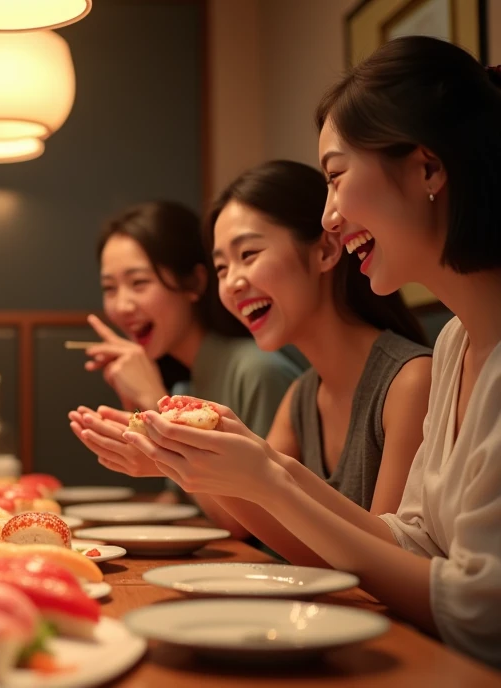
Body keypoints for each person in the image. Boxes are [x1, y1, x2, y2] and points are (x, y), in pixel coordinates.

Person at [123, 37, 501, 667]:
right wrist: (247, 468)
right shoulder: (458, 340)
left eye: (335, 177)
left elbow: (479, 612)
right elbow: (410, 541)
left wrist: (267, 477)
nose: (328, 216)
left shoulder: (417, 368)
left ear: (428, 169)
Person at [77, 162, 432, 551]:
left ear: (327, 250)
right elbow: (286, 541)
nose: (232, 283)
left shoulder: (411, 381)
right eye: (222, 267)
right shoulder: (301, 395)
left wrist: (170, 436)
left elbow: (384, 560)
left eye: (249, 254)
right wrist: (171, 457)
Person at [67, 201, 300, 532]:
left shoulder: (258, 371)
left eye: (139, 282)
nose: (121, 305)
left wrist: (154, 402)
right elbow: (181, 500)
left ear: (193, 282)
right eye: (109, 288)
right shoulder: (183, 383)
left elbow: (244, 524)